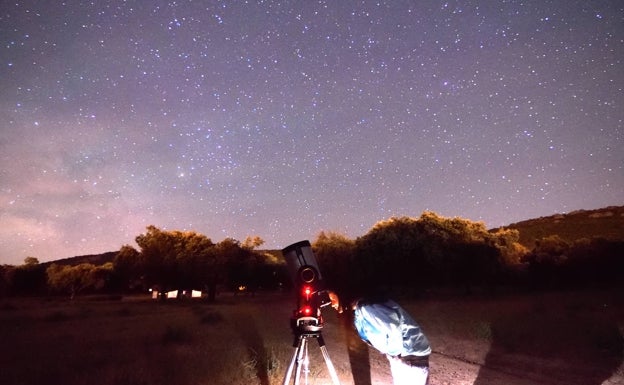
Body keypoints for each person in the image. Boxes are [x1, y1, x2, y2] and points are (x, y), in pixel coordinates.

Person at [329, 292, 431, 385]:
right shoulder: (360, 309)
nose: (332, 304)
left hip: (410, 357)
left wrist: (394, 353)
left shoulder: (369, 306)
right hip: (403, 356)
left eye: (333, 299)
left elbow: (393, 328)